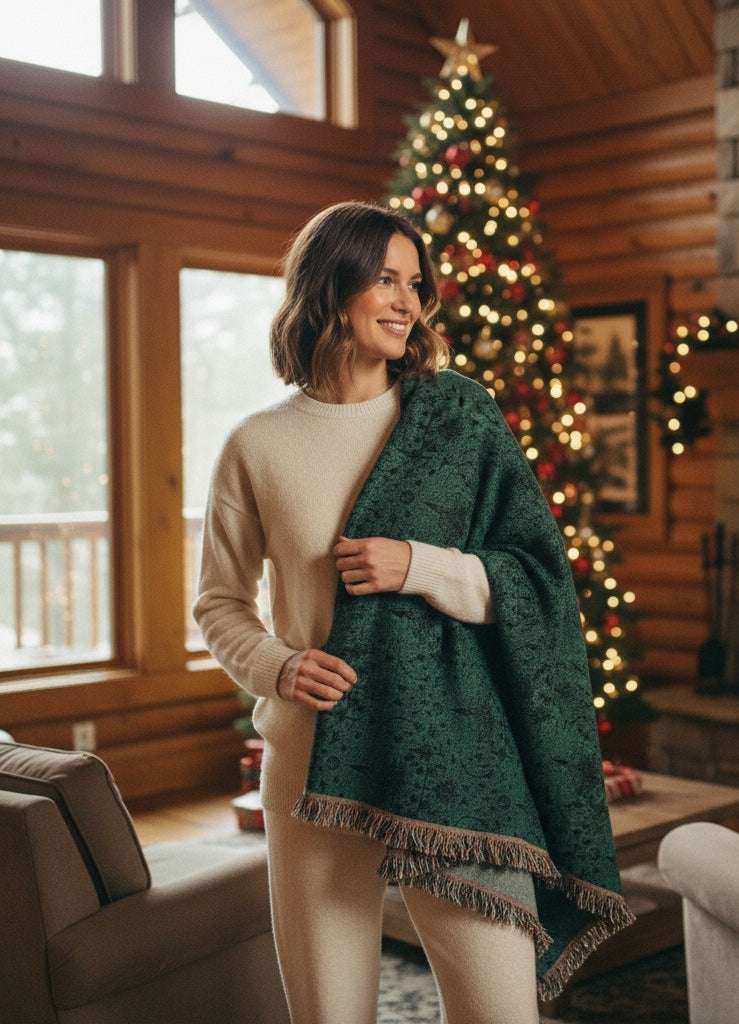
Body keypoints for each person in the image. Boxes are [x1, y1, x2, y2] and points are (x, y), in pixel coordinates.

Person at [191, 200, 541, 1024]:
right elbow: (219, 601)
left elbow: (532, 581)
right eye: (384, 279)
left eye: (414, 283)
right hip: (316, 762)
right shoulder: (258, 444)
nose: (405, 301)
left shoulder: (459, 421)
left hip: (454, 757)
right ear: (329, 286)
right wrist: (278, 665)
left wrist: (417, 565)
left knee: (502, 1011)